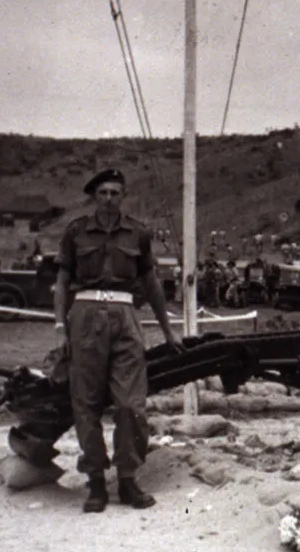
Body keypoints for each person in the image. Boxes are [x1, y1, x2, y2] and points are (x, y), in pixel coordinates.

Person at [54, 167, 184, 514]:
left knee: (130, 405)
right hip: (84, 318)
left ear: (123, 196)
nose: (109, 198)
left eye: (115, 192)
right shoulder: (76, 232)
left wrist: (168, 331)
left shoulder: (138, 233)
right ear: (94, 197)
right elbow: (63, 282)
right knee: (87, 403)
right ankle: (96, 481)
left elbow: (152, 283)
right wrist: (60, 327)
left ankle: (127, 480)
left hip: (126, 319)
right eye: (103, 193)